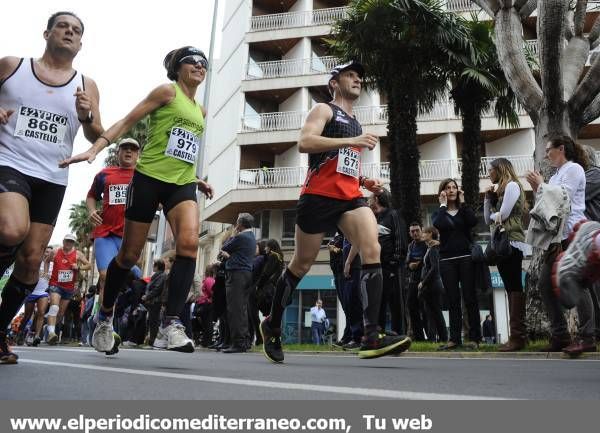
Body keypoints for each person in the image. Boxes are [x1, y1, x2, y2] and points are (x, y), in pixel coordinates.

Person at [62, 46, 214, 355]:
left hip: (181, 183)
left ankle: (170, 324)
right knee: (129, 256)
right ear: (177, 68)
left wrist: (196, 179)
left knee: (188, 245)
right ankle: (104, 317)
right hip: (147, 180)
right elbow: (128, 120)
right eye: (192, 61)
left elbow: (180, 150)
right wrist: (97, 147)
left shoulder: (201, 110)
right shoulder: (166, 92)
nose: (200, 66)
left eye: (204, 63)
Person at [259, 61, 411, 363]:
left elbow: (344, 165)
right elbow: (305, 142)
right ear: (335, 82)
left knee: (372, 246)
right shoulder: (324, 110)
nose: (357, 80)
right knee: (301, 264)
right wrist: (351, 141)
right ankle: (272, 324)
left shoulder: (355, 123)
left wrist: (365, 182)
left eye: (360, 77)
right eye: (350, 75)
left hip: (350, 198)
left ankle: (371, 334)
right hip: (317, 197)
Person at [0, 11, 102, 365]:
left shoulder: (86, 85)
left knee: (30, 262)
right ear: (47, 32)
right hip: (9, 162)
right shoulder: (13, 66)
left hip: (52, 177)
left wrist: (87, 114)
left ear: (80, 43)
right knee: (12, 228)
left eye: (76, 30)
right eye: (63, 26)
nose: (70, 33)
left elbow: (95, 133)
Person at [528, 135, 595, 355]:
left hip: (573, 232)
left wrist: (541, 185)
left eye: (549, 150)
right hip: (556, 237)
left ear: (561, 148)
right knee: (546, 285)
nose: (546, 155)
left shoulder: (573, 169)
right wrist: (538, 188)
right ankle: (560, 335)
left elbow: (563, 198)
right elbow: (547, 205)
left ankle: (587, 337)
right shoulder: (556, 175)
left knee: (576, 282)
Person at [484, 157, 529, 351]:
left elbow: (503, 214)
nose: (488, 173)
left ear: (500, 170)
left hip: (512, 242)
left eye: (490, 170)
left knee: (513, 286)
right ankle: (517, 336)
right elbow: (488, 219)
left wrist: (495, 213)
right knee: (511, 287)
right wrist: (488, 200)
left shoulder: (512, 187)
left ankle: (518, 337)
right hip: (503, 243)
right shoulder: (502, 190)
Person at [87, 137, 141, 295]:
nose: (129, 151)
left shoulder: (144, 175)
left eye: (133, 149)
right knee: (105, 275)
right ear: (118, 153)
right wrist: (91, 211)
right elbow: (91, 196)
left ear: (138, 154)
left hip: (129, 236)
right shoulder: (104, 174)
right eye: (125, 148)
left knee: (128, 275)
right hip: (106, 233)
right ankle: (104, 317)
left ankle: (136, 272)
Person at [433, 178, 481, 350]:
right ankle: (454, 339)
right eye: (448, 188)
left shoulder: (463, 211)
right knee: (453, 300)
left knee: (470, 298)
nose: (452, 190)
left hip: (466, 258)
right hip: (447, 261)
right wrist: (442, 205)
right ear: (443, 192)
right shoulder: (440, 212)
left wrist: (464, 202)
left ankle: (475, 338)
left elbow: (473, 222)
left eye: (454, 187)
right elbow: (438, 224)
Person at [368, 188, 408, 335]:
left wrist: (394, 263)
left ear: (377, 199)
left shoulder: (393, 215)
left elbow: (400, 241)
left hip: (392, 268)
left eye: (371, 198)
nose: (369, 201)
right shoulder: (376, 218)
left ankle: (400, 335)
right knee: (380, 302)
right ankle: (380, 334)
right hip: (378, 268)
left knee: (396, 303)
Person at [219, 213, 257, 353]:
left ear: (240, 223)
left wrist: (233, 234)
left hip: (237, 275)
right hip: (246, 273)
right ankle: (245, 340)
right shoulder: (251, 237)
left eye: (236, 222)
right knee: (242, 309)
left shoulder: (240, 237)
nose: (235, 225)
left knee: (235, 309)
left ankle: (238, 343)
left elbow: (225, 246)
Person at [45, 234, 91, 344]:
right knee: (54, 307)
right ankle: (51, 333)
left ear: (73, 243)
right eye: (67, 241)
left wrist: (78, 267)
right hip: (55, 284)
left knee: (60, 313)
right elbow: (46, 261)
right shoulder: (55, 252)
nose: (68, 243)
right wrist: (46, 273)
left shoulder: (78, 254)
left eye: (71, 242)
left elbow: (89, 265)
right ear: (63, 241)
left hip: (68, 287)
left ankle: (50, 330)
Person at [16, 246, 53, 346]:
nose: (47, 254)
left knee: (41, 312)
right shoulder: (37, 262)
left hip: (43, 292)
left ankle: (36, 336)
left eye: (50, 252)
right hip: (32, 291)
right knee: (27, 315)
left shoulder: (53, 265)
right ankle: (20, 333)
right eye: (46, 252)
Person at [418, 226, 448, 344]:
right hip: (430, 286)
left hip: (433, 285)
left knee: (435, 312)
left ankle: (443, 337)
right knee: (431, 313)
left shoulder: (434, 248)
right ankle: (433, 338)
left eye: (424, 232)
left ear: (430, 234)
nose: (422, 234)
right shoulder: (430, 248)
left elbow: (435, 268)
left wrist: (423, 281)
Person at [405, 222, 428, 341]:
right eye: (412, 231)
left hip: (425, 281)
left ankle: (431, 336)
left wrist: (416, 264)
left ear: (421, 230)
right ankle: (419, 337)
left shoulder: (426, 244)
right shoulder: (410, 246)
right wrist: (410, 265)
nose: (415, 233)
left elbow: (427, 261)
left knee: (425, 309)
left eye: (417, 230)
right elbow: (407, 263)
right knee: (411, 307)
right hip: (413, 281)